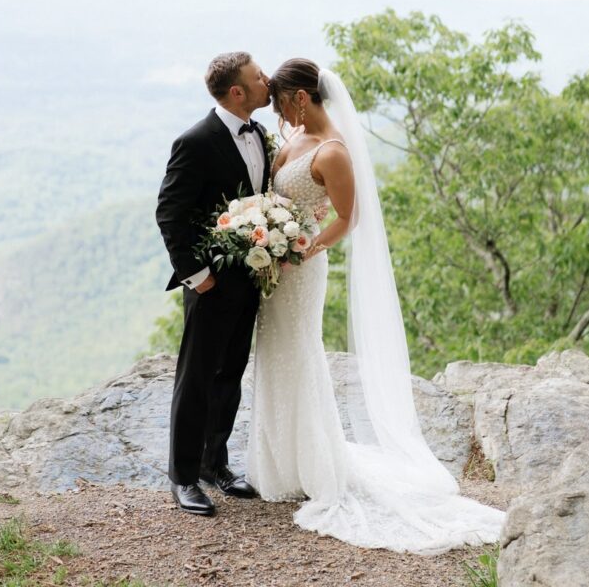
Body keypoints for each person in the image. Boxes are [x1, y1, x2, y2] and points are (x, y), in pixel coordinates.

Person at [246, 57, 506, 552]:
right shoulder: (294, 141)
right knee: (273, 353)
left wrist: (303, 249)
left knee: (300, 353)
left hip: (301, 270)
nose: (280, 115)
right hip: (273, 266)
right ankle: (278, 463)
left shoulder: (333, 152)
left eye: (282, 104)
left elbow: (348, 218)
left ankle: (315, 463)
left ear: (302, 97)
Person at [156, 51, 271, 515]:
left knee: (230, 376)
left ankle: (213, 463)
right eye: (258, 76)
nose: (268, 80)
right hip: (209, 283)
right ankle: (183, 477)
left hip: (248, 279)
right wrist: (197, 277)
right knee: (197, 379)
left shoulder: (259, 133)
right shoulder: (196, 141)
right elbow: (169, 212)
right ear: (237, 91)